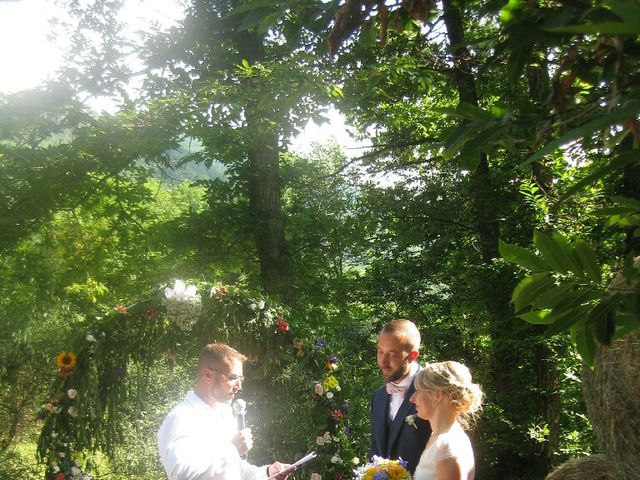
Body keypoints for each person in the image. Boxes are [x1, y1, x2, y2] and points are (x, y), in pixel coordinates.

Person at [157, 342, 291, 480]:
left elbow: (233, 471)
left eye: (241, 378)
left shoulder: (225, 414)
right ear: (208, 375)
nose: (239, 386)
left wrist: (266, 473)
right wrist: (232, 449)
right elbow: (183, 475)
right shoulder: (182, 417)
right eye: (233, 378)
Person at [370, 319, 432, 474]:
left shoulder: (433, 392)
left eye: (392, 354)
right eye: (380, 352)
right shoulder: (377, 397)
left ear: (412, 356)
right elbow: (375, 452)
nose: (383, 362)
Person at [410, 361, 484, 480]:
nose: (412, 399)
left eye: (418, 391)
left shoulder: (448, 444)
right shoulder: (436, 437)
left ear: (437, 395)